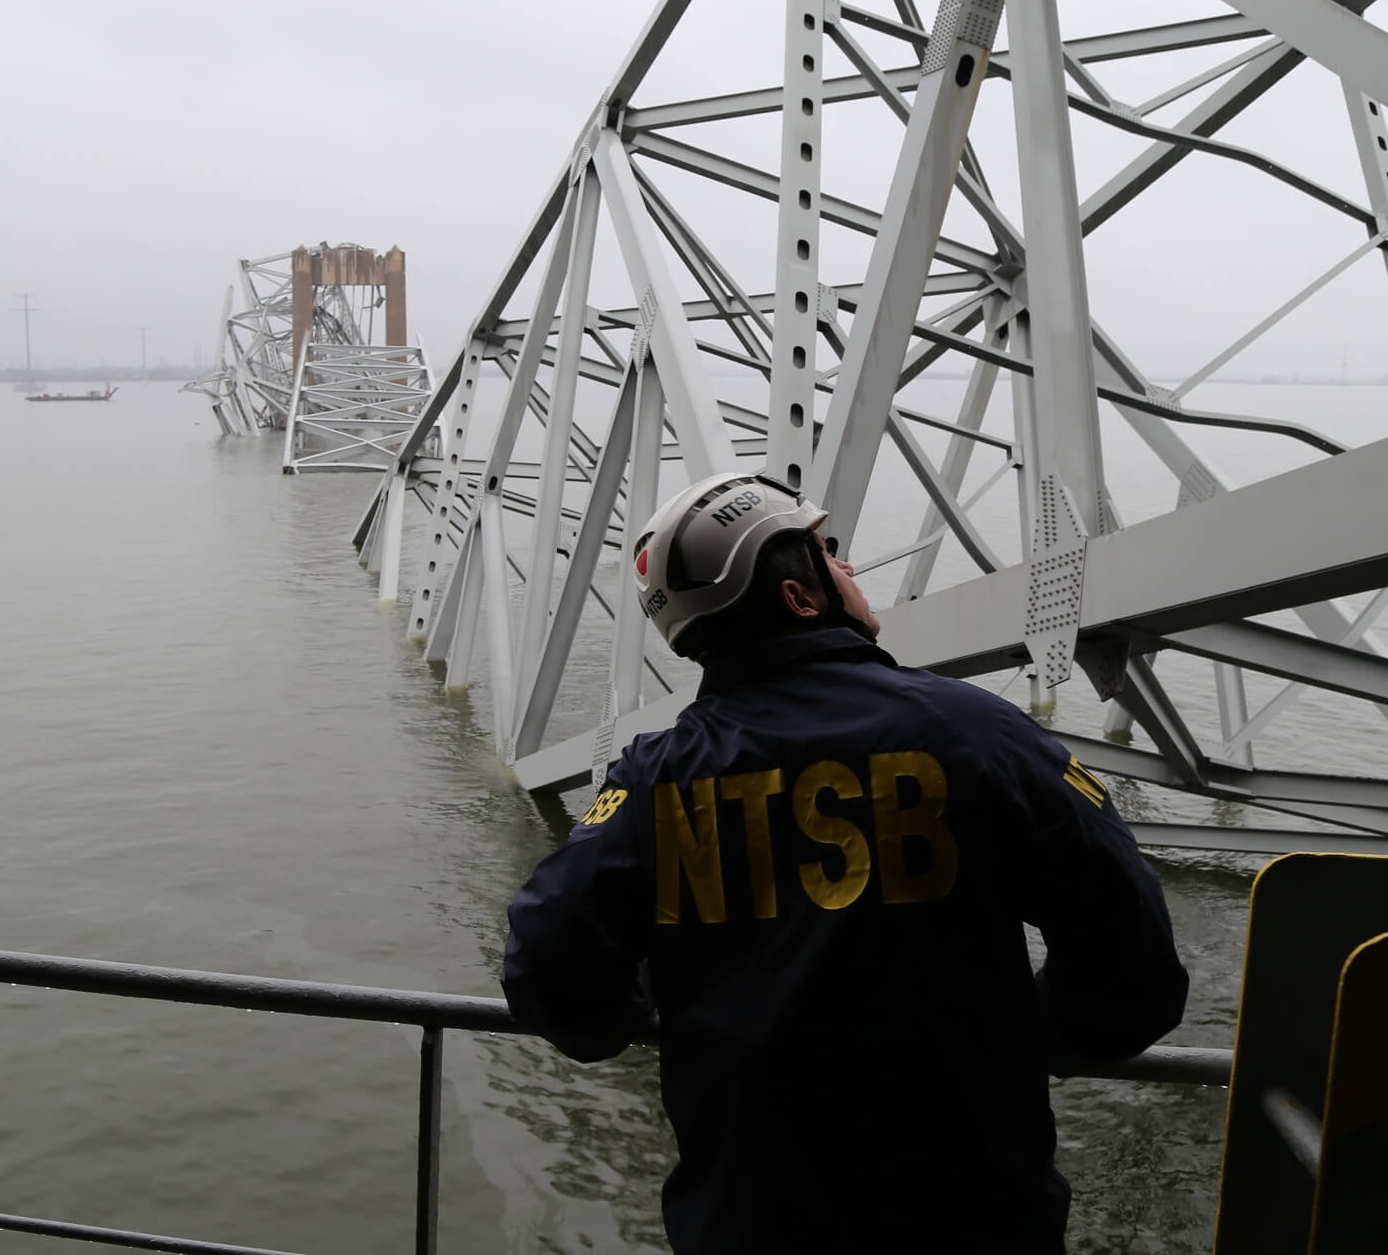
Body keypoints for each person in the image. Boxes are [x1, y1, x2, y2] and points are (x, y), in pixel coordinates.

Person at [501, 472, 1188, 1254]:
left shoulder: (653, 779)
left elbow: (547, 964)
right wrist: (1041, 1037)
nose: (850, 567)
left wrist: (633, 1019)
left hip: (751, 1223)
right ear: (800, 598)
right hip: (973, 1217)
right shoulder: (975, 732)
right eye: (830, 552)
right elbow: (1132, 956)